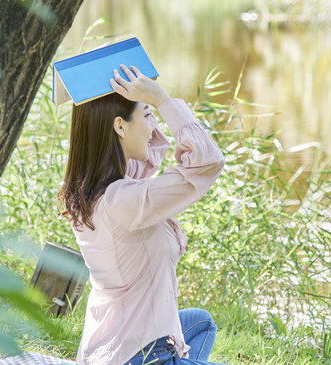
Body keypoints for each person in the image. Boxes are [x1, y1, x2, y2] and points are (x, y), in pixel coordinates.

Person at [58, 64, 227, 365]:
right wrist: (163, 100)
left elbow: (153, 151)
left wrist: (141, 102)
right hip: (139, 358)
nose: (153, 128)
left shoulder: (96, 192)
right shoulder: (123, 201)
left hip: (109, 350)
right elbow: (207, 162)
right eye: (148, 117)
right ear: (120, 127)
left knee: (201, 323)